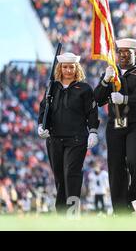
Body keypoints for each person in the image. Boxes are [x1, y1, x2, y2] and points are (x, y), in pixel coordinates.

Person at [93, 38, 136, 214]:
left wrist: (125, 99)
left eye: (127, 53)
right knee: (116, 167)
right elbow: (98, 99)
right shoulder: (110, 73)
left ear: (134, 54)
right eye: (120, 52)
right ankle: (121, 209)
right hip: (115, 125)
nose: (123, 56)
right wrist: (105, 82)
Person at [37, 52, 99, 213]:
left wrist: (93, 131)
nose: (68, 70)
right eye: (65, 67)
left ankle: (72, 212)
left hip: (77, 139)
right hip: (54, 139)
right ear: (60, 68)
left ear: (76, 67)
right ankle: (61, 212)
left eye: (71, 67)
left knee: (71, 174)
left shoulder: (84, 88)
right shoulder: (52, 87)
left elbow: (92, 112)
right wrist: (40, 125)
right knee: (59, 176)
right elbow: (44, 108)